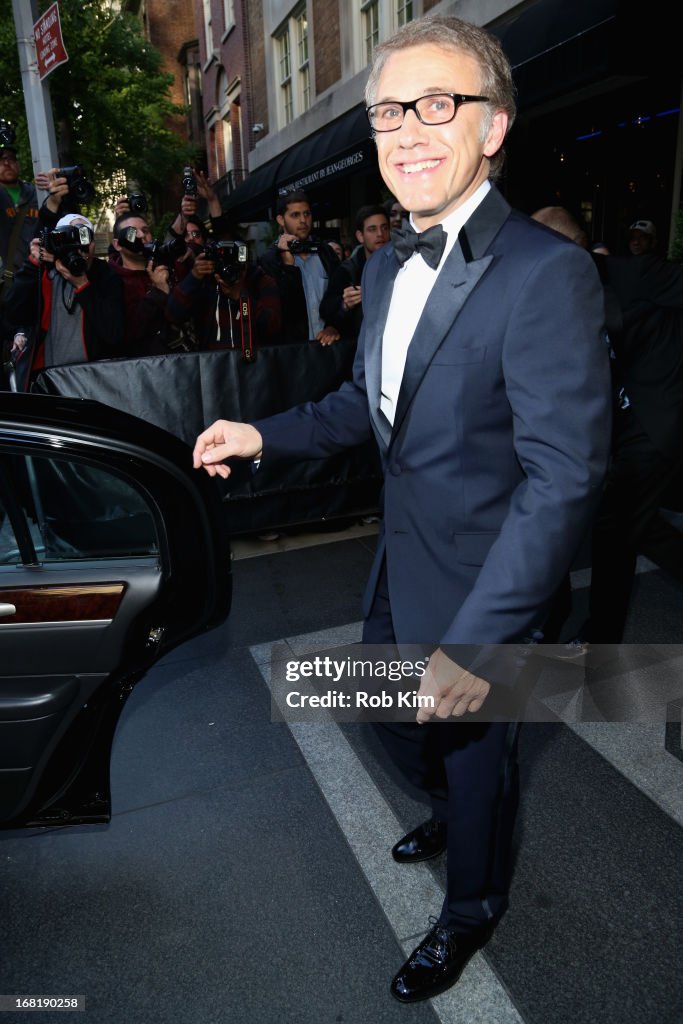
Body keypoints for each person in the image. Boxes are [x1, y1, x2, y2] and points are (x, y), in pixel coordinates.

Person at [193, 14, 610, 1004]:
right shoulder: (382, 264)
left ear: (493, 126)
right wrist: (263, 434)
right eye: (389, 111)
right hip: (398, 562)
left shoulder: (547, 277)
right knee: (392, 722)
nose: (408, 132)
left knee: (475, 759)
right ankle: (443, 805)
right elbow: (363, 405)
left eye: (439, 104)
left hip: (482, 593)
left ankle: (469, 908)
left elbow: (562, 479)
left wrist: (479, 643)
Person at [5, 213, 123, 390]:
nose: (80, 246)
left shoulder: (106, 275)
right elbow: (11, 314)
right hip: (46, 379)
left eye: (85, 237)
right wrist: (32, 264)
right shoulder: (43, 272)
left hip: (93, 378)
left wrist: (82, 284)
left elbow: (113, 334)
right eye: (71, 236)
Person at [259, 189, 341, 345]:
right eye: (295, 215)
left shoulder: (325, 252)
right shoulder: (269, 260)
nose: (303, 220)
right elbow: (279, 311)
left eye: (307, 214)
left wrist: (334, 326)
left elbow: (340, 296)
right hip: (293, 354)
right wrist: (288, 266)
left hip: (329, 349)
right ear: (281, 219)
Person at [165, 244, 282, 350]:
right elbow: (173, 314)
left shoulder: (260, 281)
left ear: (245, 261)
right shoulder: (206, 281)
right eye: (223, 260)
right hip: (213, 364)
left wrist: (240, 297)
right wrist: (193, 277)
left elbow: (272, 328)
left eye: (235, 260)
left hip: (254, 363)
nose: (228, 267)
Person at [109, 211, 175, 355]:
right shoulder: (110, 281)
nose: (141, 236)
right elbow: (126, 334)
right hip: (138, 368)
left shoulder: (164, 268)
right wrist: (158, 292)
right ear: (117, 244)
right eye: (132, 233)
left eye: (145, 230)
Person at [319, 204, 390, 339]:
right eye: (372, 229)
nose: (380, 234)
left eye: (384, 227)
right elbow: (326, 311)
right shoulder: (347, 271)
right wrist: (344, 304)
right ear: (360, 236)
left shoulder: (403, 266)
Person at [0, 140, 40, 307]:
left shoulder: (38, 194)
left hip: (38, 277)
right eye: (1, 160)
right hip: (6, 282)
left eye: (10, 158)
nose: (7, 163)